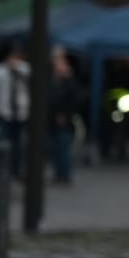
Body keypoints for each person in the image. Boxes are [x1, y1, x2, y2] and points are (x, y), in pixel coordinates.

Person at [0, 43, 29, 171]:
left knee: (19, 144)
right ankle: (3, 169)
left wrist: (17, 70)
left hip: (21, 113)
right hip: (4, 113)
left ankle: (17, 169)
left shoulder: (25, 69)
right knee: (3, 142)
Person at [47, 47, 83, 184]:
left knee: (63, 148)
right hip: (54, 120)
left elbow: (73, 100)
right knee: (57, 149)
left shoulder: (69, 81)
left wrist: (65, 115)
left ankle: (64, 174)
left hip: (65, 121)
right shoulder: (54, 80)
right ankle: (59, 174)